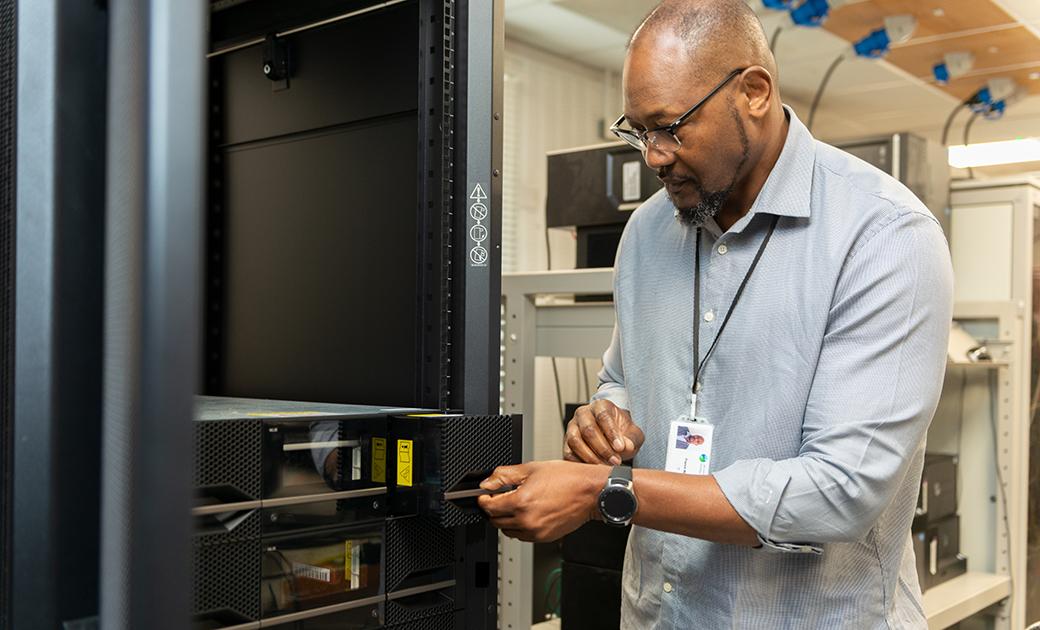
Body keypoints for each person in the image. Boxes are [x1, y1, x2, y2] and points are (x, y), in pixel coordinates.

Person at [478, 0, 953, 627]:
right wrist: (604, 419)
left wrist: (607, 493)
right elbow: (623, 376)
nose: (652, 157)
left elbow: (841, 490)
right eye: (637, 131)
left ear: (754, 91)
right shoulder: (647, 234)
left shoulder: (885, 237)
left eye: (669, 127)